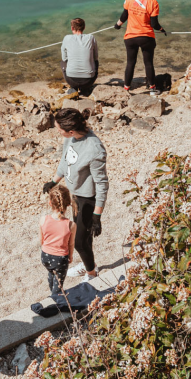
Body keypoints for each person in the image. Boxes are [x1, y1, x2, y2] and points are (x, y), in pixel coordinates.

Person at [42, 108, 108, 282]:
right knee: (84, 238)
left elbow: (102, 184)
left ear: (71, 130)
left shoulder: (94, 149)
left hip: (88, 199)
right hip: (76, 196)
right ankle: (89, 265)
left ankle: (92, 274)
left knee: (78, 242)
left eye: (59, 129)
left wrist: (97, 216)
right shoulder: (71, 138)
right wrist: (54, 181)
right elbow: (65, 161)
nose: (57, 131)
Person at [115, 0, 166, 92]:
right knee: (148, 63)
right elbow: (154, 24)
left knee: (130, 63)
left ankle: (126, 88)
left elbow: (124, 16)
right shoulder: (153, 2)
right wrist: (162, 30)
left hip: (130, 37)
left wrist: (117, 25)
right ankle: (152, 89)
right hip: (146, 37)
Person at [40, 184, 76, 296]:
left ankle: (52, 291)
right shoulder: (71, 225)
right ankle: (55, 297)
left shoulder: (43, 220)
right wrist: (70, 256)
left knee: (51, 272)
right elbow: (71, 244)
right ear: (68, 204)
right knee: (59, 283)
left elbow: (41, 240)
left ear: (50, 203)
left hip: (45, 256)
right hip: (60, 259)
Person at [61, 18, 99, 97]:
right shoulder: (91, 38)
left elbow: (64, 58)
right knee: (95, 61)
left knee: (63, 62)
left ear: (72, 28)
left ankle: (74, 87)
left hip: (71, 79)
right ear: (84, 27)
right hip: (88, 80)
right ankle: (85, 88)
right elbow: (96, 57)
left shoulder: (66, 38)